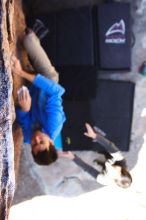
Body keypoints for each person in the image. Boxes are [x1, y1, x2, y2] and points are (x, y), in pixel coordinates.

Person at [11, 28, 66, 166]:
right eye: (42, 142)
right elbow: (57, 91)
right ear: (51, 142)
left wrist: (25, 109)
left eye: (34, 144)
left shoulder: (29, 137)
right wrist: (21, 72)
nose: (36, 139)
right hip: (47, 81)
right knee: (28, 40)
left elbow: (23, 119)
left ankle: (30, 63)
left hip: (31, 88)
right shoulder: (54, 124)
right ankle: (35, 37)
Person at [59, 123, 132, 188]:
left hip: (107, 165)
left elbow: (88, 169)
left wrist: (73, 157)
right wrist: (94, 136)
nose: (117, 169)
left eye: (117, 174)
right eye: (121, 171)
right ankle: (103, 155)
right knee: (106, 148)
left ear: (114, 179)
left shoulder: (104, 180)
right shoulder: (121, 161)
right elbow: (109, 145)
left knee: (103, 162)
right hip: (111, 158)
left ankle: (101, 162)